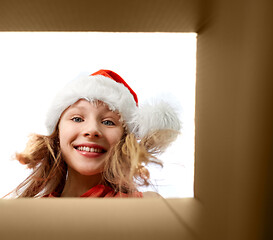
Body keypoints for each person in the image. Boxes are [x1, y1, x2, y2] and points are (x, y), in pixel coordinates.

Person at [11, 69, 180, 198]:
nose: (92, 130)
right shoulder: (28, 213)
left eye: (108, 122)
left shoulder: (145, 207)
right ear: (57, 134)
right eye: (77, 119)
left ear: (124, 140)